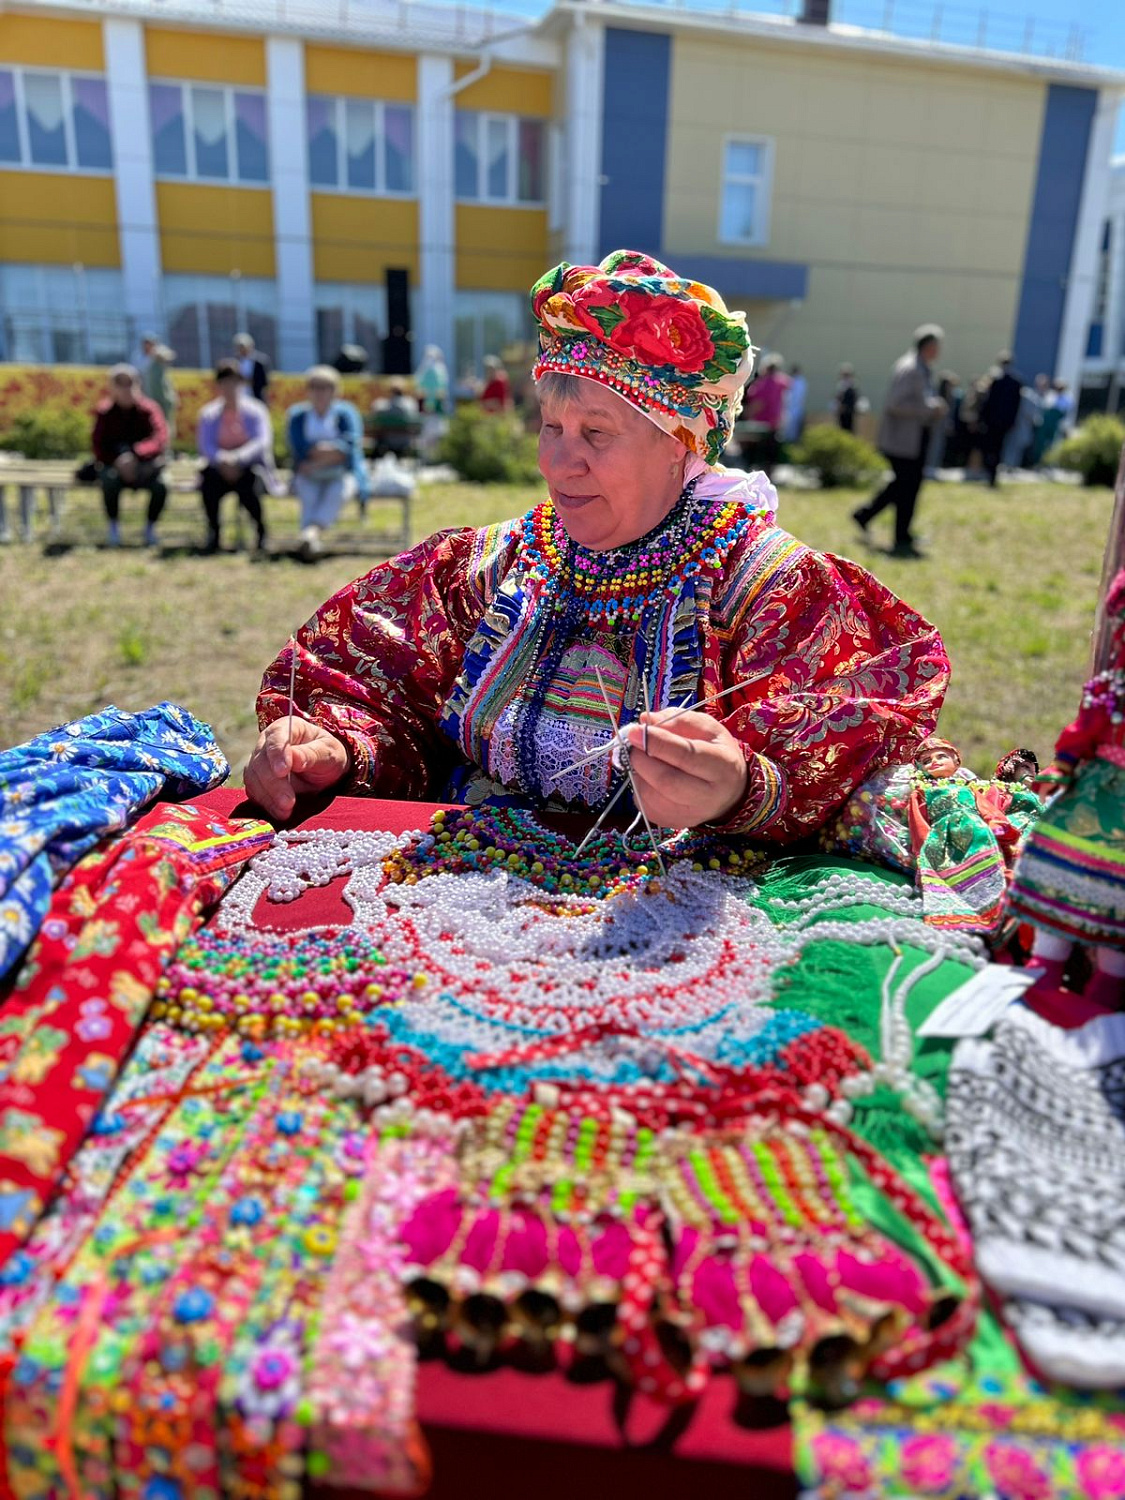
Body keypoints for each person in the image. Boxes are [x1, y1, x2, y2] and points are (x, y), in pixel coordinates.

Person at [243, 249, 949, 828]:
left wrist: (741, 788)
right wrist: (340, 745)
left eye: (595, 434)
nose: (557, 461)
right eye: (551, 428)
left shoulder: (768, 589)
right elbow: (392, 704)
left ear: (681, 446)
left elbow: (851, 760)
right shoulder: (486, 569)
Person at [852, 325, 947, 558]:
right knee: (905, 486)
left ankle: (880, 523)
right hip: (904, 441)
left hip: (911, 439)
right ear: (928, 346)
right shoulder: (911, 368)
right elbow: (895, 403)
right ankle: (892, 531)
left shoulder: (920, 368)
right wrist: (929, 408)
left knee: (905, 486)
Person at [286, 365, 370, 559]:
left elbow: (349, 447)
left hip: (341, 473)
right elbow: (300, 448)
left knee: (336, 493)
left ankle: (309, 534)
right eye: (315, 387)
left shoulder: (346, 413)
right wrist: (330, 451)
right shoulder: (298, 416)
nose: (320, 393)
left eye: (325, 387)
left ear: (334, 390)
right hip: (308, 473)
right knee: (309, 496)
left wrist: (317, 457)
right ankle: (311, 538)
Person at [196, 358, 275, 554]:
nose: (230, 387)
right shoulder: (208, 414)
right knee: (209, 483)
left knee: (249, 485)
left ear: (241, 383)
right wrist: (223, 459)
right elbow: (205, 445)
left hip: (248, 468)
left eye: (234, 382)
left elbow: (261, 442)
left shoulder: (256, 410)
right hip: (219, 469)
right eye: (225, 382)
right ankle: (214, 533)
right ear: (218, 386)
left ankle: (261, 531)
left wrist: (237, 459)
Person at [91, 364, 169, 549]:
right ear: (112, 387)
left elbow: (159, 439)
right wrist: (118, 461)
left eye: (130, 383)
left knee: (162, 484)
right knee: (108, 480)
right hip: (115, 467)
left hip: (144, 466)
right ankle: (113, 528)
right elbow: (98, 446)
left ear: (139, 385)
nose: (126, 388)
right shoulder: (105, 412)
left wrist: (135, 455)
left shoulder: (149, 409)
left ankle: (150, 528)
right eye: (120, 383)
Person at [976, 353, 1023, 487]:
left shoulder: (995, 380)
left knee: (991, 448)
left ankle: (990, 473)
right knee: (999, 449)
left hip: (992, 422)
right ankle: (992, 474)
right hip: (1004, 423)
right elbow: (1016, 406)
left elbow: (987, 402)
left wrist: (982, 418)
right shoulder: (1016, 382)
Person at [741, 354, 791, 476]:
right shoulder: (782, 382)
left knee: (754, 454)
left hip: (760, 425)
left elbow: (759, 404)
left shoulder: (763, 383)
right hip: (775, 422)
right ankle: (769, 475)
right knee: (771, 455)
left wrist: (744, 415)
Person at [140, 335, 178, 443]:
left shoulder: (159, 355)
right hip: (150, 398)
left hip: (164, 399)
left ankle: (167, 448)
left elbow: (169, 356)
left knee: (166, 425)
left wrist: (157, 353)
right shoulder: (140, 358)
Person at [234, 332, 270, 404]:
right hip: (239, 398)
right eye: (239, 347)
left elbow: (264, 382)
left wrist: (251, 382)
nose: (241, 349)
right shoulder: (235, 361)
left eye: (243, 346)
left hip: (255, 397)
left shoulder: (260, 361)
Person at [783, 364, 807, 443]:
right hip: (792, 407)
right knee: (790, 428)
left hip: (794, 407)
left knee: (793, 428)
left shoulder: (796, 381)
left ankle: (792, 442)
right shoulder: (800, 381)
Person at [835, 365, 860, 432]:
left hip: (849, 411)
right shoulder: (841, 385)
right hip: (842, 411)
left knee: (849, 428)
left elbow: (854, 398)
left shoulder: (852, 385)